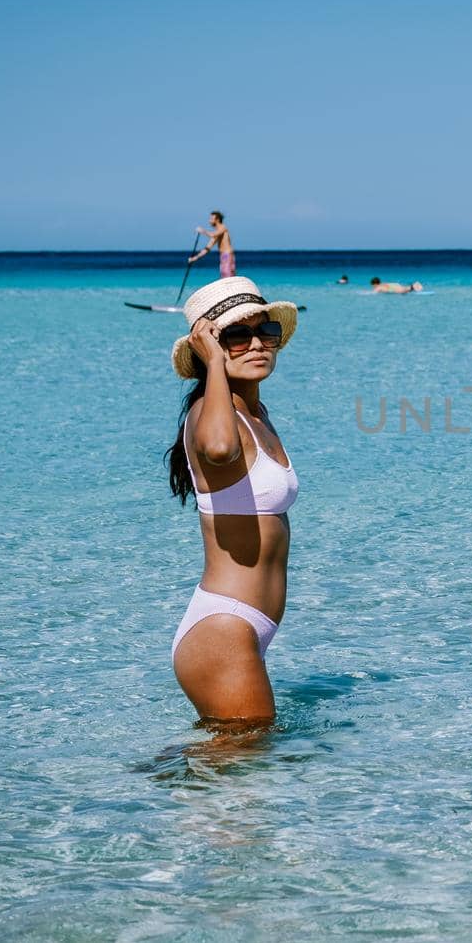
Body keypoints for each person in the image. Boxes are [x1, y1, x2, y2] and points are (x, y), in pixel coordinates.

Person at [165, 276, 301, 726]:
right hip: (224, 628)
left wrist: (222, 361)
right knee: (244, 767)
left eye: (267, 333)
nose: (257, 344)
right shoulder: (210, 412)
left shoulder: (255, 412)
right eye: (237, 336)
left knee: (231, 769)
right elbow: (220, 450)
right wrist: (215, 367)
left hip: (244, 629)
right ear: (208, 348)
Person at [189, 211, 236, 278]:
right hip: (223, 256)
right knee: (224, 277)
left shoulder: (223, 228)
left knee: (228, 278)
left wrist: (203, 231)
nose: (209, 221)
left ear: (217, 220)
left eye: (211, 219)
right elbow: (208, 248)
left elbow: (212, 235)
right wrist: (194, 258)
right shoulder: (217, 233)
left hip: (227, 255)